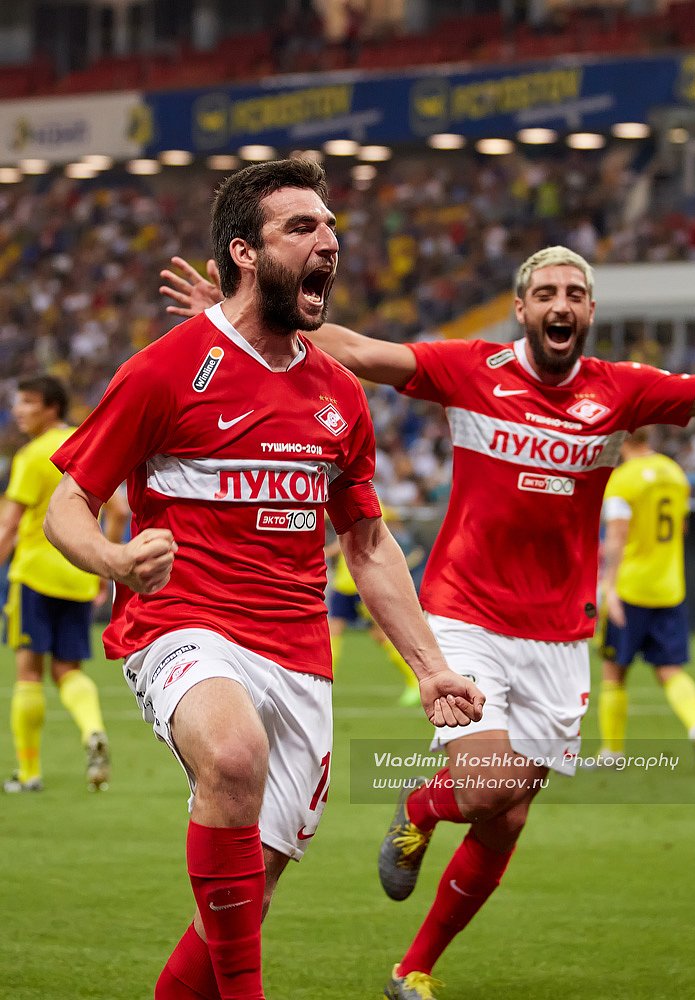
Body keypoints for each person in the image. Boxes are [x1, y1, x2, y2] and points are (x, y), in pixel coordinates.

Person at [161, 241, 695, 1000]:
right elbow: (362, 351)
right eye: (546, 293)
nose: (560, 305)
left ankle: (415, 970)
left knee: (505, 820)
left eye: (575, 293)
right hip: (465, 615)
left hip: (560, 637)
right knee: (484, 784)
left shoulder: (624, 391)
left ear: (592, 311)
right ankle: (417, 805)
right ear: (522, 307)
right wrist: (246, 311)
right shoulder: (474, 369)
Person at [44, 159, 484, 1000]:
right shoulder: (167, 369)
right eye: (304, 228)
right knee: (235, 757)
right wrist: (111, 560)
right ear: (244, 253)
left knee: (246, 903)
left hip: (298, 655)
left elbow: (369, 543)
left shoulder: (338, 395)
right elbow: (68, 502)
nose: (331, 242)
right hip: (182, 625)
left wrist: (430, 667)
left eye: (331, 229)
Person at [0, 376, 124, 793]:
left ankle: (29, 772)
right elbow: (119, 507)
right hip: (78, 574)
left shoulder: (33, 455)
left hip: (35, 574)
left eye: (28, 402)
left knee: (29, 672)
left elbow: (8, 526)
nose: (19, 410)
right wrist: (105, 563)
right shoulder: (85, 441)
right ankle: (92, 730)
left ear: (51, 407)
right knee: (68, 669)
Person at [596, 428, 695, 773]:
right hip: (669, 586)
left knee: (614, 672)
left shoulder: (623, 480)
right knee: (670, 670)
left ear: (621, 440)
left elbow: (617, 534)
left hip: (631, 587)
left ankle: (611, 753)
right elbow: (681, 528)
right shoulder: (675, 473)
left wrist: (610, 586)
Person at [326, 508, 424, 707]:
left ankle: (416, 680)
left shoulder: (365, 499)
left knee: (381, 635)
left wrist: (325, 551)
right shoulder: (373, 500)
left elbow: (351, 536)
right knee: (332, 632)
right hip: (345, 582)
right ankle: (325, 684)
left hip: (360, 582)